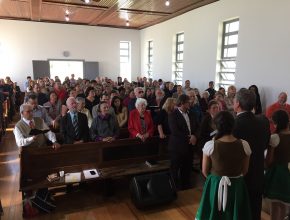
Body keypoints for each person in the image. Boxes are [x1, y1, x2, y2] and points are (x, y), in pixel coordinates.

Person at [195, 111, 252, 220]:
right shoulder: (244, 144)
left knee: (214, 214)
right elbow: (245, 170)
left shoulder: (210, 145)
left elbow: (204, 171)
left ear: (216, 126)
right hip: (237, 186)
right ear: (233, 125)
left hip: (215, 185)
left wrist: (217, 178)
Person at [232, 88, 271, 220]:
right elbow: (266, 145)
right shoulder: (263, 121)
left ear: (237, 104)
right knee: (255, 211)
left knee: (239, 212)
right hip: (258, 173)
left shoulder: (233, 124)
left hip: (239, 176)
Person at [168, 94, 198, 190]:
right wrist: (189, 137)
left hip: (189, 146)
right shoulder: (173, 115)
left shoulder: (191, 113)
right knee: (175, 169)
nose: (190, 103)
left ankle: (186, 188)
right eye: (188, 102)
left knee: (187, 168)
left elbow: (198, 127)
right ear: (182, 103)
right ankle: (174, 189)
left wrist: (195, 136)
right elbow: (175, 131)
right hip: (177, 147)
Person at [264, 110, 290, 220]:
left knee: (275, 205)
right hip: (287, 171)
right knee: (284, 204)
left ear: (276, 123)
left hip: (276, 173)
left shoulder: (275, 137)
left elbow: (269, 160)